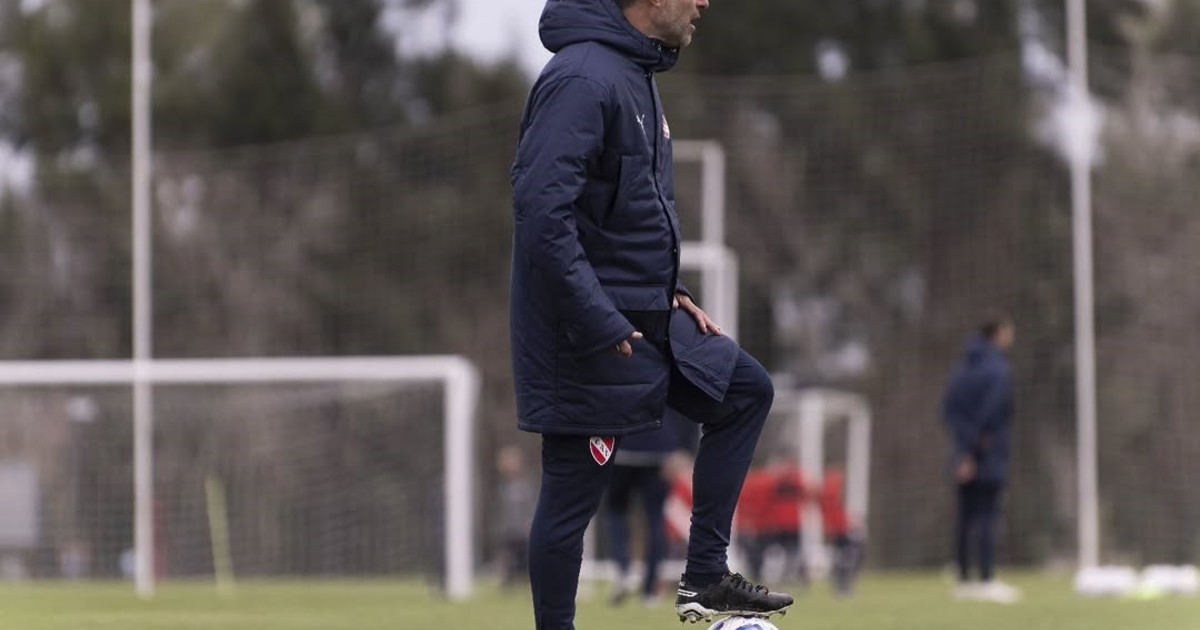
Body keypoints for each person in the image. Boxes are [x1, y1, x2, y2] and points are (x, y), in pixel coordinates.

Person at [509, 0, 793, 627]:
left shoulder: (635, 74)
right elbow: (541, 217)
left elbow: (625, 213)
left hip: (647, 313)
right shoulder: (581, 78)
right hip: (585, 333)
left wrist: (671, 287)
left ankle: (705, 575)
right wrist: (599, 318)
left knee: (743, 391)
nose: (703, 3)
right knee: (571, 497)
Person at [941, 315, 1021, 603]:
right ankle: (986, 578)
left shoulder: (960, 370)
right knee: (987, 514)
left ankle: (963, 579)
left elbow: (948, 412)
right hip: (988, 453)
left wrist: (963, 451)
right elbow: (993, 411)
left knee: (965, 516)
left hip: (962, 451)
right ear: (998, 334)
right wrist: (976, 448)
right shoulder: (998, 369)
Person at [604, 412, 688, 606]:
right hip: (659, 446)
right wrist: (682, 446)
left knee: (616, 510)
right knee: (655, 517)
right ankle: (650, 591)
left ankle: (624, 569)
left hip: (620, 442)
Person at [496, 445, 538, 590]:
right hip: (509, 532)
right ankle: (508, 584)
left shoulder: (527, 485)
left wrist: (530, 525)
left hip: (524, 532)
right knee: (508, 559)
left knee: (527, 560)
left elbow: (533, 505)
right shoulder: (503, 487)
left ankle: (529, 583)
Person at [818, 467, 864, 597]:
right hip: (841, 531)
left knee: (845, 559)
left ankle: (842, 586)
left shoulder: (831, 498)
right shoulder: (832, 497)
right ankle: (842, 587)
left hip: (841, 530)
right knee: (845, 559)